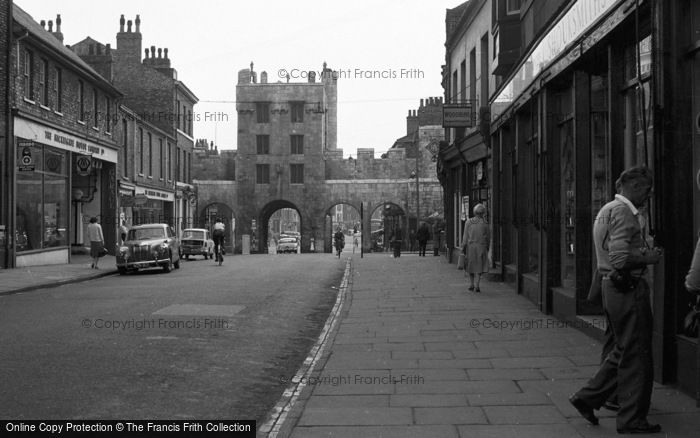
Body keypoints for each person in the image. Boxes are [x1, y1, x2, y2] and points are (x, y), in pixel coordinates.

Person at [569, 167, 662, 434]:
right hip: (627, 288)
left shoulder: (607, 209)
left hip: (612, 288)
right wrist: (649, 258)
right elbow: (620, 258)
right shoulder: (624, 213)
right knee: (636, 356)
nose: (648, 195)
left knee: (622, 350)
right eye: (646, 190)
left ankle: (587, 397)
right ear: (632, 187)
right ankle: (632, 419)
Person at [461, 204, 490, 292]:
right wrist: (487, 247)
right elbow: (488, 237)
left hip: (471, 247)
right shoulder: (485, 223)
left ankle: (471, 284)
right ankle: (477, 285)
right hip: (481, 246)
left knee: (470, 265)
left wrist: (463, 247)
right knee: (479, 266)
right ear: (483, 213)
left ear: (474, 212)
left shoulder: (469, 222)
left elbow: (465, 237)